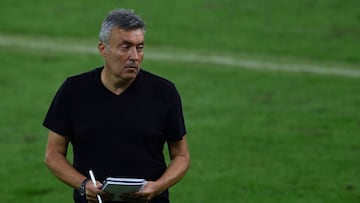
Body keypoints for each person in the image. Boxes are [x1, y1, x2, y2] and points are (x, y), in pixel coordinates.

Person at [43, 8, 190, 203]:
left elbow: (181, 156)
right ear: (103, 49)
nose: (135, 56)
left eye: (140, 47)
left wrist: (157, 187)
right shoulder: (74, 91)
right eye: (125, 47)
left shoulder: (164, 92)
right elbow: (53, 154)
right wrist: (83, 184)